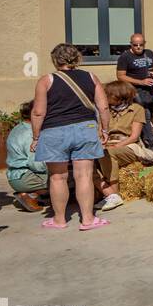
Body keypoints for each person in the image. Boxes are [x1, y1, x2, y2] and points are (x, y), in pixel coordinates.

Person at [30, 44, 111, 230]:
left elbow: (38, 112)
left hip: (54, 131)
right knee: (84, 176)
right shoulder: (91, 77)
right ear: (77, 59)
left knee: (57, 177)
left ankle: (59, 220)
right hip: (85, 128)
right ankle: (88, 219)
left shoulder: (46, 80)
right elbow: (103, 107)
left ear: (55, 60)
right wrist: (105, 130)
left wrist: (36, 137)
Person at [97, 80, 153, 210]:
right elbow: (99, 132)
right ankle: (109, 195)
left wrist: (116, 146)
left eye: (108, 94)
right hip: (108, 143)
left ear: (119, 95)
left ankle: (114, 194)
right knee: (88, 160)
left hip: (127, 145)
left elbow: (134, 137)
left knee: (108, 153)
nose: (104, 97)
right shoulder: (104, 111)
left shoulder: (136, 109)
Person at [116, 33, 153, 142]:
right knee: (145, 116)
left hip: (150, 91)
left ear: (144, 44)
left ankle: (142, 139)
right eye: (135, 45)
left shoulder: (149, 53)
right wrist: (141, 82)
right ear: (131, 44)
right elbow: (120, 76)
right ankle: (149, 143)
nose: (138, 47)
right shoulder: (125, 57)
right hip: (135, 92)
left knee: (148, 115)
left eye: (141, 44)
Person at [6, 102, 49, 212]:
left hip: (16, 176)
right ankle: (32, 194)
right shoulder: (30, 134)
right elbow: (37, 164)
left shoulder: (18, 128)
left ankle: (33, 194)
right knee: (64, 178)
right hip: (26, 177)